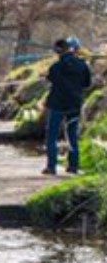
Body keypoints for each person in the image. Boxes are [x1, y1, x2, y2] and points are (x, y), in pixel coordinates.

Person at [43, 37, 92, 175]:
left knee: (51, 136)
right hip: (74, 104)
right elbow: (87, 84)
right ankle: (73, 166)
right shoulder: (83, 65)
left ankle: (51, 167)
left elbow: (50, 80)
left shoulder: (54, 67)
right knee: (72, 135)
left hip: (57, 104)